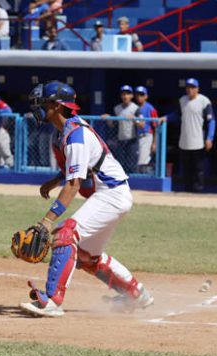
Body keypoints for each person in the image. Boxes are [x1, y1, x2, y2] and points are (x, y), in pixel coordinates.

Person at [17, 81, 153, 317]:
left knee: (64, 234)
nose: (38, 107)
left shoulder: (75, 134)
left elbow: (74, 183)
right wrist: (54, 181)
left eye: (44, 103)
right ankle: (136, 294)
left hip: (111, 193)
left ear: (58, 106)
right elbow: (74, 169)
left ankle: (51, 300)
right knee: (88, 258)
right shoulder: (63, 132)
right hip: (110, 194)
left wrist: (47, 221)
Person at [159, 78, 216, 192]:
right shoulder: (182, 100)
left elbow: (212, 121)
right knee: (186, 169)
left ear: (197, 89)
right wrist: (166, 118)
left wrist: (210, 138)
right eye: (188, 87)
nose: (190, 90)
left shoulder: (204, 101)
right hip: (184, 141)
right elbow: (177, 115)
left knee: (198, 169)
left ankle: (198, 191)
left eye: (193, 87)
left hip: (198, 142)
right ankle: (187, 192)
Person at [102, 85, 140, 174]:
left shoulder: (135, 108)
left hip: (132, 139)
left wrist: (135, 119)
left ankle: (134, 183)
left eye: (127, 94)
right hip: (120, 139)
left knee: (132, 163)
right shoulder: (117, 108)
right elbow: (112, 125)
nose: (125, 96)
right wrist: (108, 118)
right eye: (123, 94)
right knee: (121, 162)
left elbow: (142, 124)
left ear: (131, 96)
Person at [134, 86, 158, 174]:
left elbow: (155, 127)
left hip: (147, 136)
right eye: (138, 95)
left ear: (146, 96)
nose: (139, 97)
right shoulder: (135, 108)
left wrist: (154, 143)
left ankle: (143, 179)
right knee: (137, 160)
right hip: (136, 137)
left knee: (143, 161)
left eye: (142, 95)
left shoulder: (150, 108)